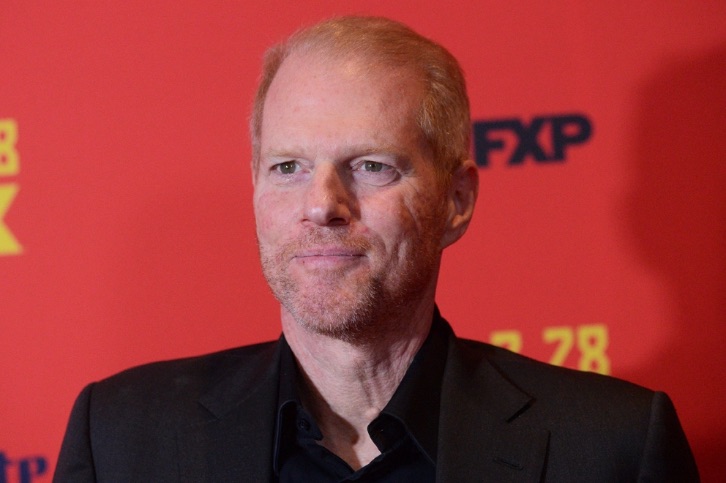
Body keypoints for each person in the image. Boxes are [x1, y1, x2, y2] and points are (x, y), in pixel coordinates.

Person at [53, 16, 699, 482]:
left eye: (369, 165)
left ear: (457, 201)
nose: (322, 204)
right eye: (287, 167)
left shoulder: (611, 449)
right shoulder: (120, 441)